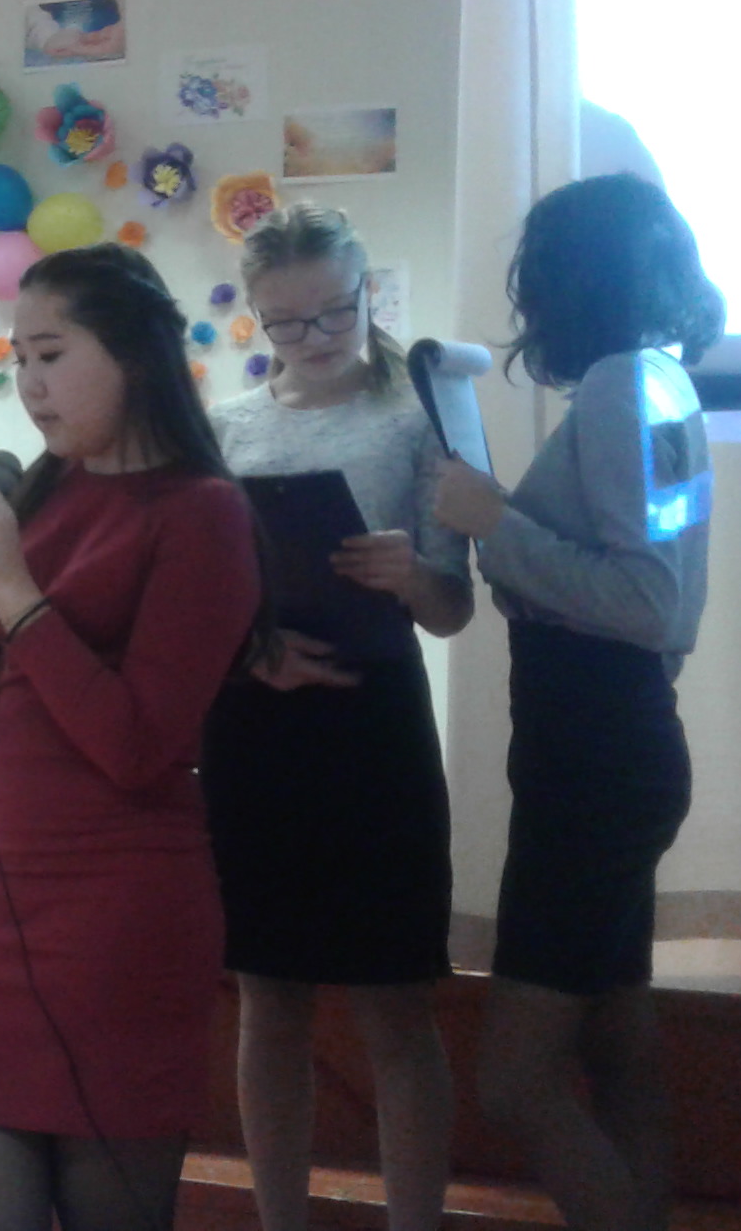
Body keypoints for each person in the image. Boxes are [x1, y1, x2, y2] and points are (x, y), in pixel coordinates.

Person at [0, 244, 263, 1231]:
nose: (28, 383)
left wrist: (12, 586)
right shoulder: (43, 493)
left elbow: (137, 744)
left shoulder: (204, 514)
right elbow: (5, 713)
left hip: (122, 920)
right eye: (17, 358)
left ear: (135, 355)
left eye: (51, 355)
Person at [431, 174, 723, 1231]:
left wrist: (491, 523)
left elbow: (646, 602)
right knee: (616, 1045)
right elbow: (660, 599)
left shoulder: (620, 387)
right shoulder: (658, 379)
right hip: (613, 752)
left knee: (514, 1082)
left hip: (594, 768)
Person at [202, 204, 474, 1231]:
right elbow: (195, 598)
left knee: (395, 1001)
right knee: (268, 999)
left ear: (368, 294)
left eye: (333, 312)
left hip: (373, 724)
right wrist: (249, 648)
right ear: (255, 317)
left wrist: (410, 575)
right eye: (286, 321)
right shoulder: (225, 426)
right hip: (255, 724)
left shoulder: (417, 418)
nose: (313, 337)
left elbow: (451, 611)